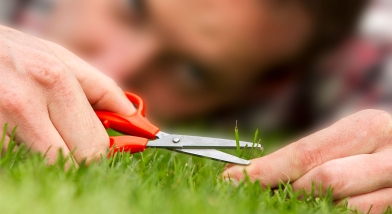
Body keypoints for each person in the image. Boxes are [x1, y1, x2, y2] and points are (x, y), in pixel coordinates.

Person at [0, 0, 391, 212]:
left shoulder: (349, 54)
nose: (116, 68)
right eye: (134, 9)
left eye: (193, 72)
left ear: (262, 89)